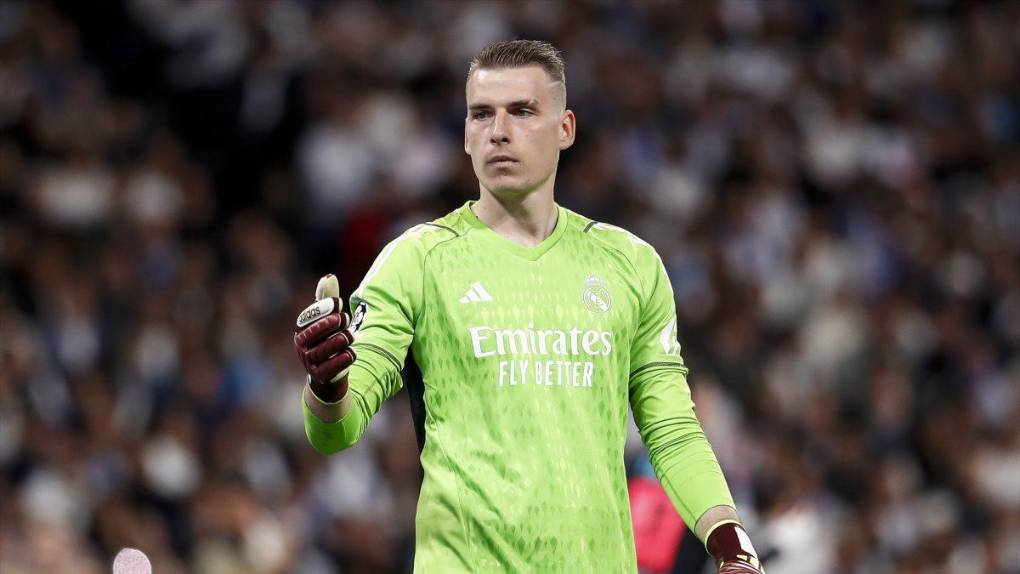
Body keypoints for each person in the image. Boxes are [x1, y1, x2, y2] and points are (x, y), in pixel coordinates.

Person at [294, 39, 764, 573]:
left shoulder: (630, 264)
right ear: (466, 134)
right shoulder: (416, 261)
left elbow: (671, 429)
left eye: (521, 111)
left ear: (565, 128)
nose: (498, 130)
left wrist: (731, 543)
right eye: (481, 114)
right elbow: (335, 431)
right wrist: (327, 386)